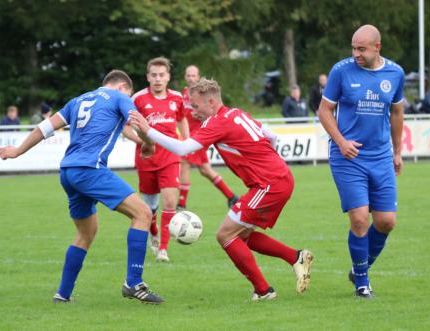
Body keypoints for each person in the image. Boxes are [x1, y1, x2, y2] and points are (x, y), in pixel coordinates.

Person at [130, 78, 314, 301]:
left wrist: (148, 131)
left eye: (195, 106)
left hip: (269, 184)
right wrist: (268, 162)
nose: (193, 112)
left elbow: (183, 147)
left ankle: (264, 290)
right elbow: (272, 136)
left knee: (225, 235)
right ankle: (295, 257)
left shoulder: (217, 122)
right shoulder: (236, 113)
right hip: (276, 179)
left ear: (210, 102)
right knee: (242, 235)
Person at [0, 70, 164, 305]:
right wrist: (149, 144)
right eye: (129, 93)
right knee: (143, 213)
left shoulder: (79, 100)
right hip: (90, 170)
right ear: (124, 87)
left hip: (68, 172)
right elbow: (139, 123)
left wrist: (16, 151)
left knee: (86, 232)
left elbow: (44, 128)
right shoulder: (120, 98)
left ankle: (62, 294)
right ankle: (134, 283)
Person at [318, 25, 404, 299]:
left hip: (380, 157)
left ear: (377, 47)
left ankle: (359, 268)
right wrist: (341, 142)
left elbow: (397, 113)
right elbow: (324, 111)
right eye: (353, 48)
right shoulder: (341, 71)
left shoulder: (395, 73)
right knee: (359, 219)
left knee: (386, 222)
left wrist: (397, 152)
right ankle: (362, 284)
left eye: (361, 49)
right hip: (348, 157)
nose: (355, 53)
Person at [122, 57, 189, 263]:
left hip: (170, 156)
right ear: (148, 77)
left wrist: (186, 142)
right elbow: (124, 126)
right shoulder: (138, 99)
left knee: (169, 202)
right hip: (147, 158)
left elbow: (182, 119)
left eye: (162, 75)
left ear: (168, 77)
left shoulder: (177, 98)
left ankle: (163, 249)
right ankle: (153, 231)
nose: (158, 79)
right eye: (154, 75)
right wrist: (140, 141)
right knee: (149, 208)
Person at [178, 65, 238, 209]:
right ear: (185, 77)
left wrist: (200, 117)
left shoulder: (202, 94)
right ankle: (232, 197)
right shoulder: (184, 93)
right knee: (205, 169)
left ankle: (181, 204)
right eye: (188, 75)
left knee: (184, 162)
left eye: (193, 75)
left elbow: (213, 113)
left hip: (200, 135)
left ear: (198, 77)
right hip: (189, 135)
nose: (191, 78)